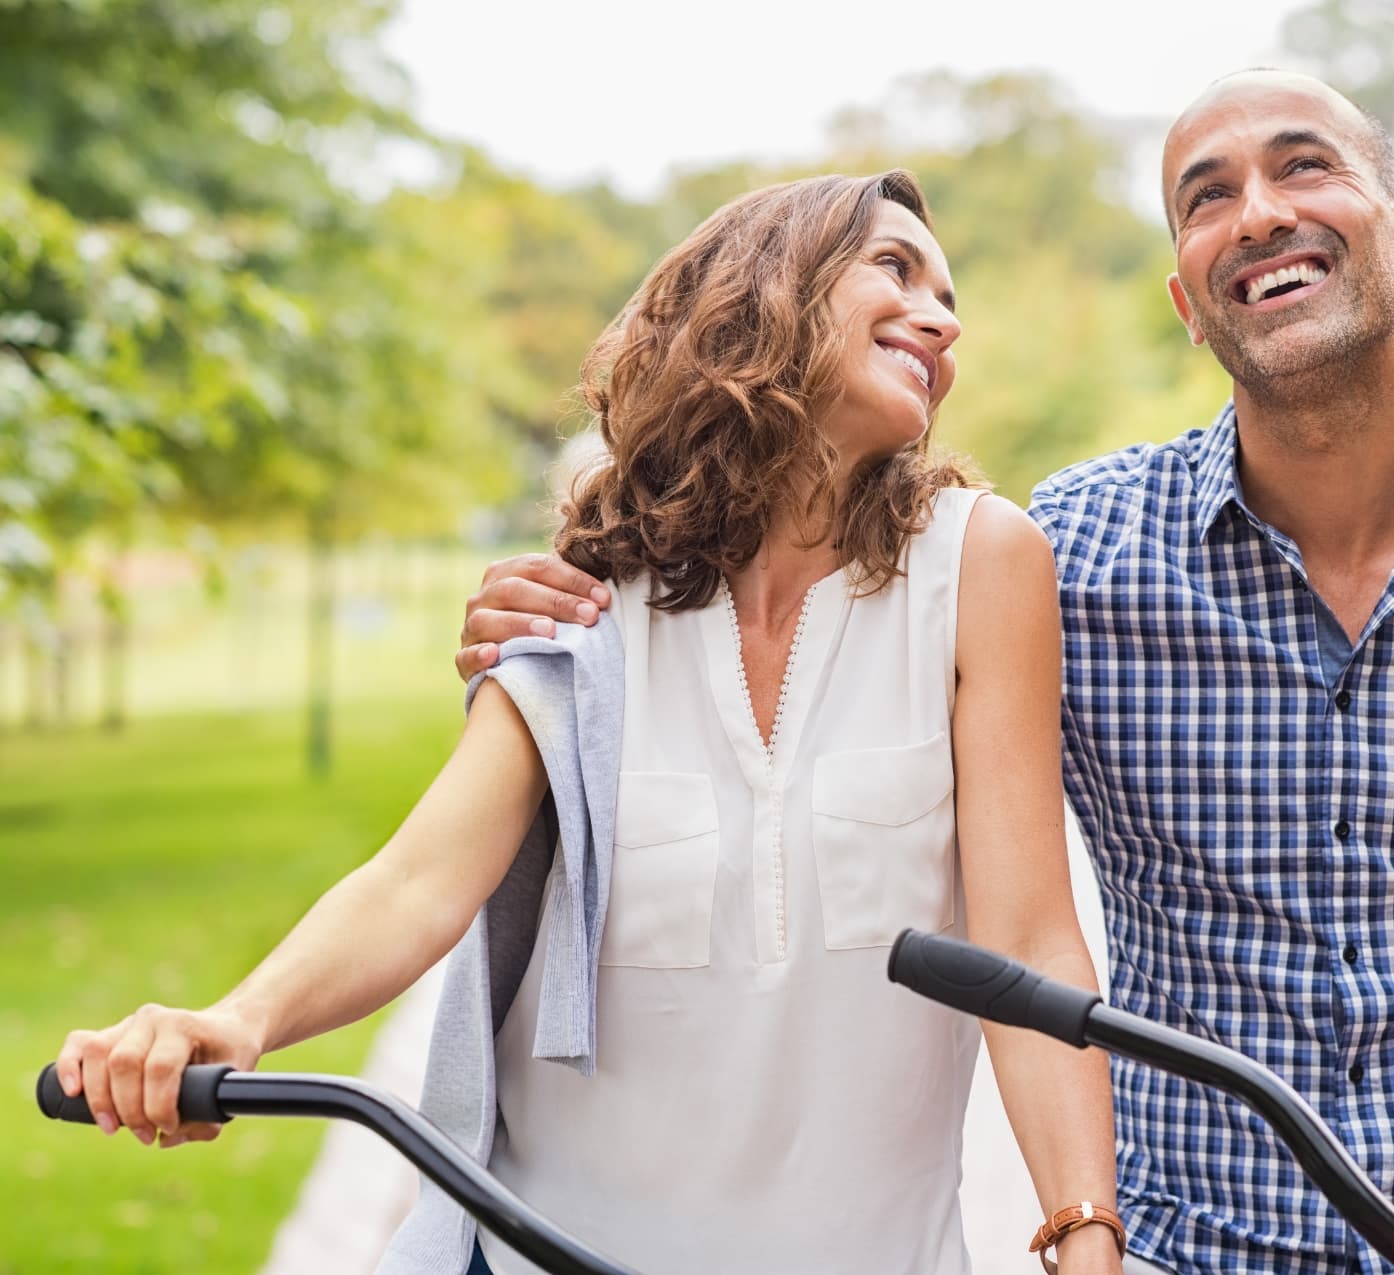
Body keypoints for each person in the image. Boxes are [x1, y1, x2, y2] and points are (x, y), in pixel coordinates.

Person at [459, 75, 1394, 1275]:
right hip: (1195, 1241)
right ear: (1189, 303)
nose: (1255, 211)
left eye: (1302, 169)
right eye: (1206, 196)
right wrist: (576, 602)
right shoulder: (1055, 557)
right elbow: (806, 589)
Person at [54, 170, 1126, 1275]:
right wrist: (241, 1018)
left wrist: (1082, 1229)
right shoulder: (588, 593)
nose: (943, 317)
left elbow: (1029, 939)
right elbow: (422, 880)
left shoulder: (980, 562)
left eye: (950, 298)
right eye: (895, 268)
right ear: (768, 292)